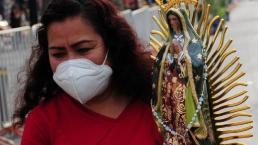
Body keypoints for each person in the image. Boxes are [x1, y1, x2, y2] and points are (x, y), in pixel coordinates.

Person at [13, 0, 163, 145]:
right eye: (58, 54)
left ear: (112, 46)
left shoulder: (156, 102)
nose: (71, 63)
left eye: (83, 49)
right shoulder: (43, 122)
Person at [152, 8, 216, 145]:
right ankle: (178, 136)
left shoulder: (192, 41)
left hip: (188, 84)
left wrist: (181, 53)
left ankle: (194, 135)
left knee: (189, 108)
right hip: (172, 84)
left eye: (174, 19)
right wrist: (168, 60)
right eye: (170, 20)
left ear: (181, 20)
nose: (172, 22)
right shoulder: (169, 40)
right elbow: (161, 63)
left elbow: (198, 63)